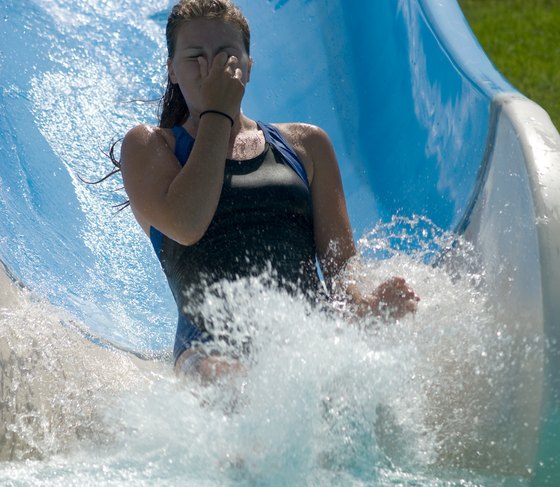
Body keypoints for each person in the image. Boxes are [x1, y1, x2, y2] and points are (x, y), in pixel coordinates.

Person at [119, 0, 418, 381]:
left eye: (226, 56)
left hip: (310, 339)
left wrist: (368, 303)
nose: (211, 70)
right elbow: (187, 222)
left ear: (247, 66)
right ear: (172, 71)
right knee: (236, 386)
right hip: (208, 351)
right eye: (195, 56)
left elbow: (341, 267)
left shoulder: (306, 146)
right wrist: (217, 113)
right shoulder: (150, 148)